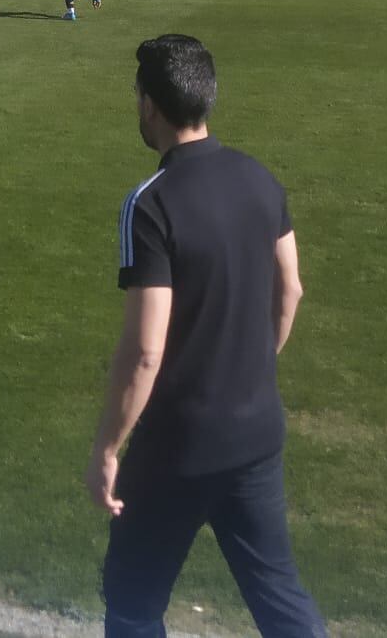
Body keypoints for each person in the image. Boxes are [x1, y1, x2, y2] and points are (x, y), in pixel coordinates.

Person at [89, 34, 323, 638]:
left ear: (150, 107)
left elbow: (145, 352)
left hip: (176, 448)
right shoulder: (259, 178)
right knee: (280, 596)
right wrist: (248, 368)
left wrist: (108, 450)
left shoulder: (150, 205)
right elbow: (290, 289)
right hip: (256, 433)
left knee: (134, 603)